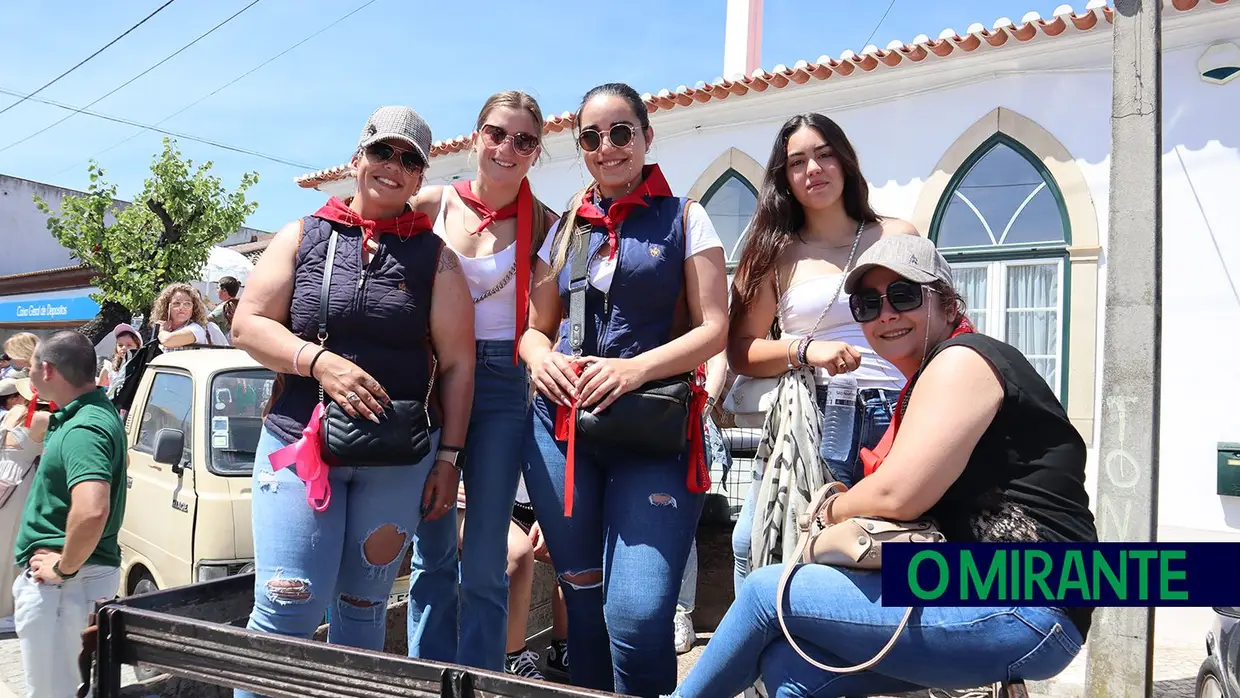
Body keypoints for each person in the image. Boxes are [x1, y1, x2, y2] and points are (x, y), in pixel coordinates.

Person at [671, 235, 1096, 698]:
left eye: (904, 296)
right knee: (792, 669)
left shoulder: (963, 360)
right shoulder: (931, 375)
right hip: (982, 588)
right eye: (868, 305)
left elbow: (898, 495)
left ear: (949, 305)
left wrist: (831, 509)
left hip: (1028, 599)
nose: (886, 314)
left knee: (763, 594)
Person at [229, 106, 474, 684]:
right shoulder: (304, 234)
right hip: (299, 445)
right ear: (358, 158)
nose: (393, 167)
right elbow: (247, 324)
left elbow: (460, 366)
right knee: (287, 605)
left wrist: (448, 459)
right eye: (383, 152)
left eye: (410, 160)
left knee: (364, 611)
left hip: (396, 460)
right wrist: (319, 362)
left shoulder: (435, 259)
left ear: (420, 177)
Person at [520, 82, 729, 697]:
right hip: (560, 433)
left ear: (645, 137)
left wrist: (636, 369)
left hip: (652, 430)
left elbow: (714, 328)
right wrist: (538, 359)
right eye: (591, 137)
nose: (607, 147)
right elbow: (536, 330)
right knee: (582, 604)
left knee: (636, 615)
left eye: (620, 133)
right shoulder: (564, 231)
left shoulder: (687, 217)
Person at [727, 113, 918, 596]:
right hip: (814, 417)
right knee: (761, 545)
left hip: (898, 410)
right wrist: (807, 350)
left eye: (824, 154)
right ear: (784, 178)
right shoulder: (773, 252)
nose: (813, 168)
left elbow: (938, 323)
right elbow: (741, 351)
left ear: (846, 161)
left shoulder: (898, 236)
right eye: (797, 161)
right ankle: (769, 667)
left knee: (887, 548)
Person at [404, 90, 557, 673]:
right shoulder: (432, 204)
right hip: (430, 375)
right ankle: (426, 676)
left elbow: (544, 323)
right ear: (475, 136)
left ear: (536, 152)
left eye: (523, 140)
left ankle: (480, 682)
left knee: (488, 554)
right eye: (497, 133)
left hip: (499, 382)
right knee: (432, 547)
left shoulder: (543, 223)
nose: (507, 148)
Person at [12, 331, 127, 697]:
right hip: (73, 584)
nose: (27, 375)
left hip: (65, 587)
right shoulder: (88, 414)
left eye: (30, 367)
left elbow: (92, 509)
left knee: (52, 693)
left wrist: (64, 568)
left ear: (47, 370)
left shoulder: (83, 428)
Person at [0, 378, 50, 634]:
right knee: (13, 547)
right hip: (21, 483)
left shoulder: (12, 413)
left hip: (4, 477)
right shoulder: (40, 419)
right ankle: (7, 610)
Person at [151, 283, 229, 350]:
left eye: (187, 304)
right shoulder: (165, 330)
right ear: (167, 306)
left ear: (193, 308)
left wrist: (161, 330)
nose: (182, 307)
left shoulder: (196, 329)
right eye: (177, 303)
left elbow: (167, 340)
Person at [97, 323, 143, 388]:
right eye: (120, 345)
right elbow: (99, 389)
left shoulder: (141, 368)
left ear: (138, 348)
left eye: (129, 345)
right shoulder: (109, 366)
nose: (124, 348)